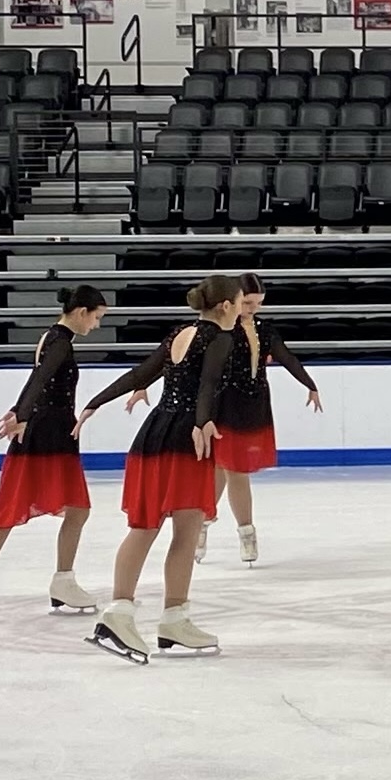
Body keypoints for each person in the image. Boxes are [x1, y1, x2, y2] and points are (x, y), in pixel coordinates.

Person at [73, 274, 242, 662]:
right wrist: (203, 422)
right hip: (186, 440)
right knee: (186, 530)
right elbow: (208, 385)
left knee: (144, 527)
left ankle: (126, 614)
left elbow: (140, 374)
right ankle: (171, 619)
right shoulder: (220, 337)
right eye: (240, 303)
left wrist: (94, 403)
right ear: (225, 307)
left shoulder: (179, 333)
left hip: (153, 436)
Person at [0, 285, 109, 620]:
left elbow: (34, 381)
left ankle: (0, 576)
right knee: (69, 508)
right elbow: (40, 379)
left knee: (47, 505)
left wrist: (17, 410)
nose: (95, 325)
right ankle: (0, 576)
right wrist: (21, 414)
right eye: (96, 318)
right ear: (81, 312)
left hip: (46, 430)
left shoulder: (49, 337)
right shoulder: (62, 342)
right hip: (49, 434)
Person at [207, 276, 323, 565]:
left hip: (253, 404)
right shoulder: (217, 330)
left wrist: (310, 384)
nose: (252, 309)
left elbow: (286, 357)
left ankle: (215, 525)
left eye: (258, 304)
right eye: (247, 303)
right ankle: (229, 528)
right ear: (233, 300)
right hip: (222, 405)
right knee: (226, 467)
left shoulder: (264, 330)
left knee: (231, 467)